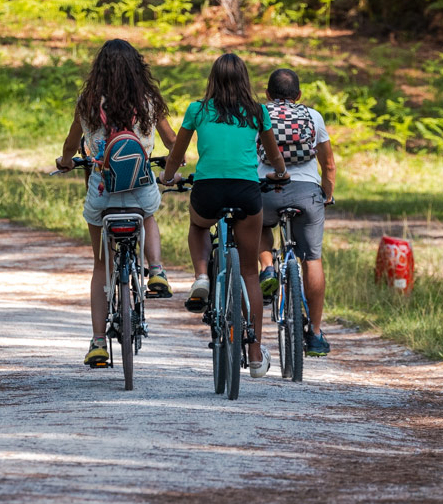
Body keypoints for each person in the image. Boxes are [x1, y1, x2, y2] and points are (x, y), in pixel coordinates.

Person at [159, 52, 290, 375]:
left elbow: (177, 154)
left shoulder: (197, 110)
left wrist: (167, 176)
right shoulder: (257, 112)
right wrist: (281, 173)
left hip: (209, 190)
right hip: (246, 191)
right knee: (249, 273)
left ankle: (202, 275)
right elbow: (273, 155)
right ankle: (256, 355)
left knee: (199, 225)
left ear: (212, 80)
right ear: (245, 80)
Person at [57, 38, 177, 369]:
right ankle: (156, 270)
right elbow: (172, 141)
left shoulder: (89, 101)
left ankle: (97, 342)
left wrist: (67, 160)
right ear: (138, 69)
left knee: (100, 266)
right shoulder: (148, 100)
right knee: (150, 214)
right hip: (139, 187)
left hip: (102, 191)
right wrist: (171, 167)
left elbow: (70, 144)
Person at [255, 68, 335, 357]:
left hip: (266, 190)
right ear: (299, 96)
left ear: (267, 94)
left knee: (260, 225)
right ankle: (314, 334)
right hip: (306, 193)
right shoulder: (313, 116)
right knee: (312, 258)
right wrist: (327, 193)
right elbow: (329, 165)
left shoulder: (257, 114)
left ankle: (267, 268)